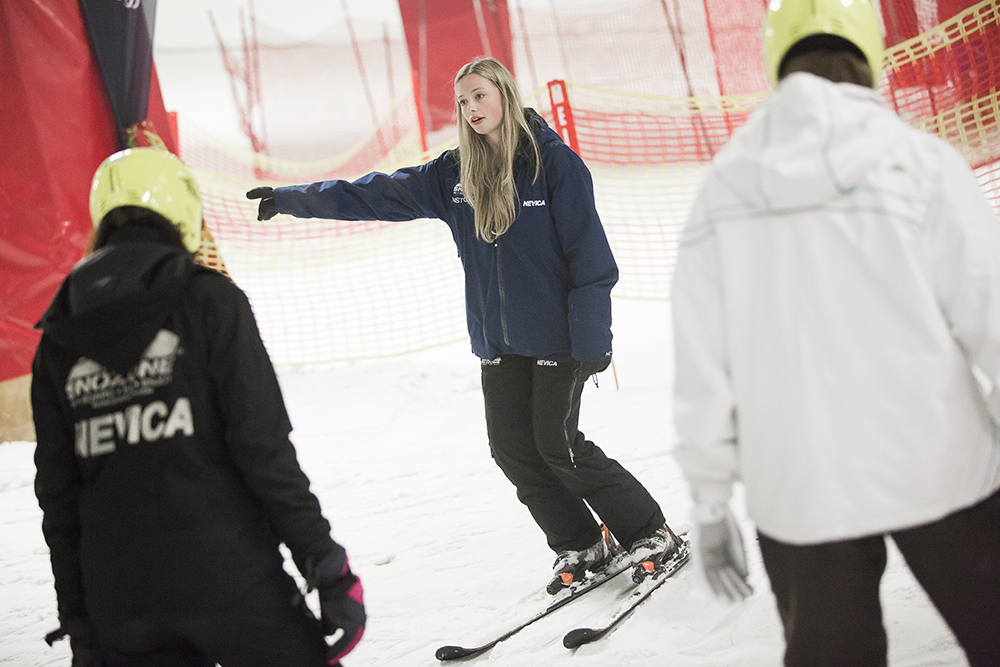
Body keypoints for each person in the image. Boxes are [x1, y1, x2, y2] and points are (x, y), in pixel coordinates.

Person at [248, 56, 682, 592]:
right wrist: (292, 200)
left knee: (559, 443)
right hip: (499, 341)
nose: (471, 108)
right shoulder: (455, 174)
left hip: (558, 338)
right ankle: (580, 541)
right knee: (512, 447)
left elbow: (590, 261)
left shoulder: (555, 165)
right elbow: (375, 193)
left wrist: (593, 339)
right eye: (462, 101)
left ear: (503, 92)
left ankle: (650, 531)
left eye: (479, 95)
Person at [671, 0, 1000, 664]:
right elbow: (989, 313)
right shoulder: (920, 161)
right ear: (870, 55)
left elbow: (702, 361)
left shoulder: (725, 185)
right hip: (938, 458)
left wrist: (710, 502)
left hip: (799, 480)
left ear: (776, 61)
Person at [32, 147, 365, 667]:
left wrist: (80, 620)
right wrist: (326, 567)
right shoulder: (209, 301)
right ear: (183, 211)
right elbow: (262, 449)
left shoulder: (58, 335)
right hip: (228, 579)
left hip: (120, 600)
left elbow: (59, 496)